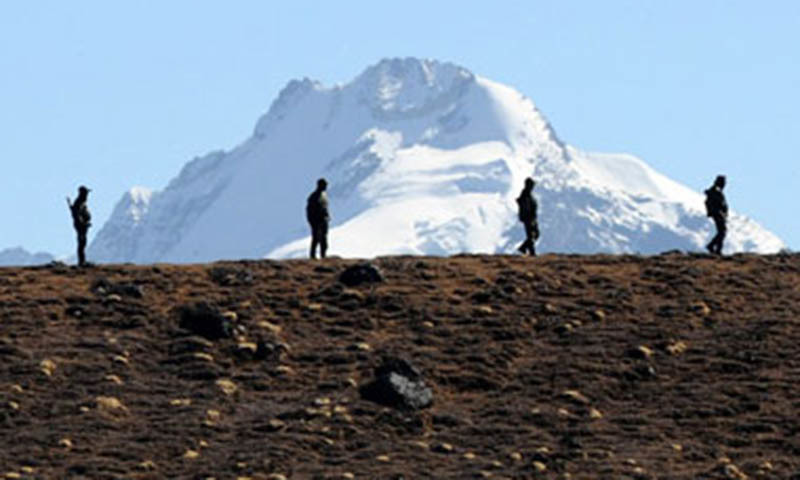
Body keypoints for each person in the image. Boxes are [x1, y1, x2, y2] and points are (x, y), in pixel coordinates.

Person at [67, 185, 92, 266]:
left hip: (82, 226)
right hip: (81, 226)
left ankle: (82, 261)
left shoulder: (81, 202)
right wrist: (83, 224)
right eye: (86, 193)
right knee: (82, 243)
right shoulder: (79, 203)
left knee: (82, 243)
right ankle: (81, 262)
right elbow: (77, 216)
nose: (87, 195)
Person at [306, 178, 330, 259]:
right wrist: (312, 222)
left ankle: (323, 255)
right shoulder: (313, 197)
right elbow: (309, 210)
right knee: (316, 238)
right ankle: (313, 256)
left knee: (324, 239)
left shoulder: (324, 195)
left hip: (324, 221)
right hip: (316, 221)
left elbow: (325, 208)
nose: (326, 187)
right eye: (324, 185)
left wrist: (327, 216)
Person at [704, 175, 728, 255]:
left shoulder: (716, 191)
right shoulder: (715, 191)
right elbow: (711, 202)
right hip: (717, 213)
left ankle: (716, 248)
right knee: (722, 231)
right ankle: (713, 247)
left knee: (722, 231)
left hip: (718, 213)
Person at [516, 177, 539, 256]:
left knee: (534, 235)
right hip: (529, 218)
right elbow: (526, 207)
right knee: (532, 235)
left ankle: (525, 249)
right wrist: (530, 217)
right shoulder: (525, 195)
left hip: (531, 218)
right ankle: (530, 252)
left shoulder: (527, 194)